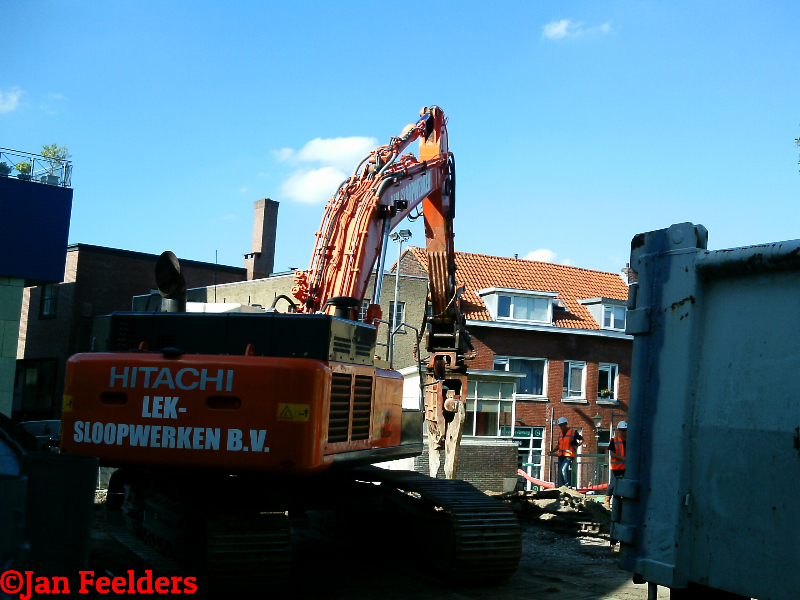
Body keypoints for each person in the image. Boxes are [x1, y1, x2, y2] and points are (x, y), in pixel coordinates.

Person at [548, 417, 582, 488]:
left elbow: (582, 440)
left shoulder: (573, 432)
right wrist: (552, 451)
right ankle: (562, 486)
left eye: (562, 425)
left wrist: (577, 446)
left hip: (569, 455)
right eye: (560, 425)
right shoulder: (560, 434)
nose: (561, 427)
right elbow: (559, 445)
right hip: (561, 455)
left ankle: (567, 485)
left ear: (566, 424)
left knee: (564, 469)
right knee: (561, 471)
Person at [604, 420, 627, 507]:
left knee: (624, 484)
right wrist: (622, 458)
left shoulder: (630, 441)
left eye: (626, 430)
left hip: (625, 467)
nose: (625, 432)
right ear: (619, 430)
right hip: (616, 467)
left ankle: (620, 500)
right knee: (613, 484)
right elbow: (612, 453)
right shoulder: (614, 440)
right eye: (623, 430)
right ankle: (607, 500)